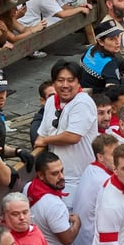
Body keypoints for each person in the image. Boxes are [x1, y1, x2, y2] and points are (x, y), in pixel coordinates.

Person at [34, 61, 97, 193]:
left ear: (78, 82)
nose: (65, 85)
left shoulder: (83, 102)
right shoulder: (51, 101)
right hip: (56, 177)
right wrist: (39, 143)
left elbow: (72, 137)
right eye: (60, 80)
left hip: (80, 177)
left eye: (70, 80)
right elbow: (43, 132)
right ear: (53, 83)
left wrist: (44, 141)